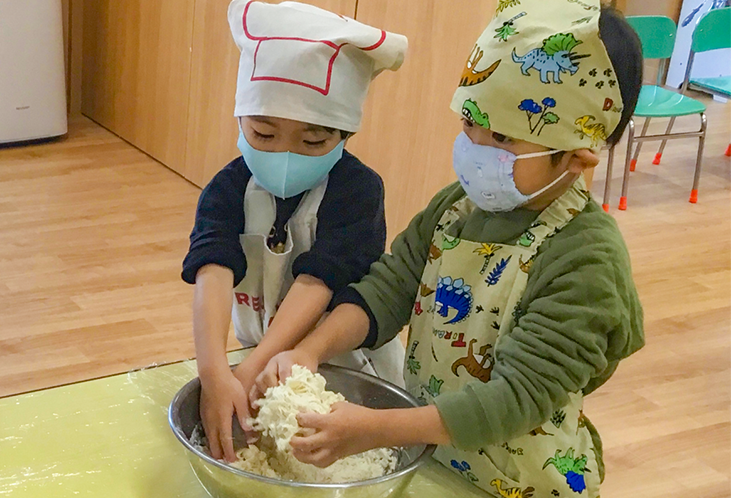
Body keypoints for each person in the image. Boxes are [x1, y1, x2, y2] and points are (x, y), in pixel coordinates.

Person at [255, 2, 644, 496]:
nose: (476, 147)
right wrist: (309, 350)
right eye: (469, 125)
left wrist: (373, 429)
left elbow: (518, 397)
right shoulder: (455, 209)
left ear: (577, 157)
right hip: (435, 454)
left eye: (501, 137)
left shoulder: (587, 259)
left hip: (525, 479)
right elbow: (389, 287)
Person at [181, 0, 408, 464]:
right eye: (263, 135)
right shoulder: (227, 188)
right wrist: (214, 371)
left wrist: (254, 364)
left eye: (312, 141)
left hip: (347, 369)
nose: (284, 155)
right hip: (258, 356)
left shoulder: (358, 191)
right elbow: (212, 271)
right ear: (240, 120)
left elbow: (319, 280)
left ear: (344, 134)